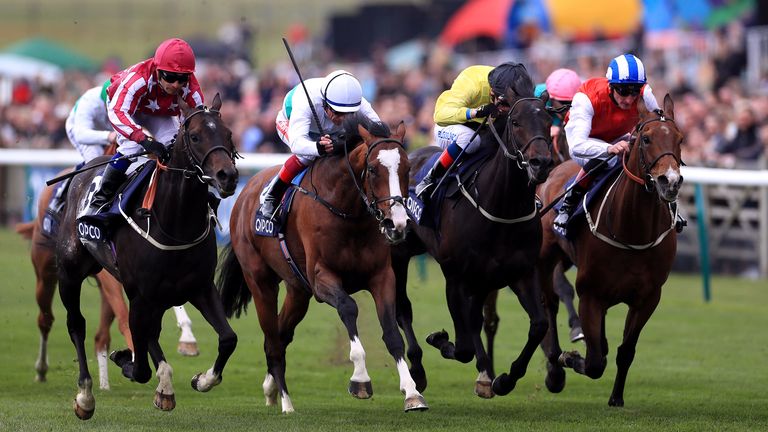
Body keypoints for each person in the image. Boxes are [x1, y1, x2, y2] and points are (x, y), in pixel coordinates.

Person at [82, 37, 204, 217]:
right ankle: (100, 198)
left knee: (176, 147)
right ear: (157, 70)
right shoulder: (138, 79)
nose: (176, 85)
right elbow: (117, 112)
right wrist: (144, 139)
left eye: (182, 79)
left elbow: (200, 119)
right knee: (132, 147)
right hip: (125, 109)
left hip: (159, 113)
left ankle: (171, 198)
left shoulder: (191, 87)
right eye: (170, 77)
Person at [553, 54, 660, 236]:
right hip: (585, 142)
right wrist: (608, 149)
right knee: (610, 159)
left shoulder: (645, 94)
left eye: (634, 92)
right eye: (623, 91)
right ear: (611, 86)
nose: (629, 99)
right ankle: (569, 201)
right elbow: (577, 146)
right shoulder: (587, 98)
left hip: (619, 136)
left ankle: (667, 205)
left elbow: (660, 125)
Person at [259, 70, 381, 220]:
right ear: (325, 103)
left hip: (329, 133)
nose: (341, 119)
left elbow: (379, 131)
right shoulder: (306, 100)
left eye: (347, 114)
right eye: (337, 112)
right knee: (307, 156)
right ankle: (272, 195)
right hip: (292, 125)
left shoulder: (359, 103)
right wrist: (318, 148)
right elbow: (297, 144)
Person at [414, 62, 526, 199]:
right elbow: (440, 115)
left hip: (486, 130)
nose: (505, 109)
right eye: (503, 103)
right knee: (470, 139)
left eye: (510, 104)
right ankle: (431, 177)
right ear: (492, 91)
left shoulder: (519, 85)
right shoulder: (473, 81)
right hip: (451, 126)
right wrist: (475, 113)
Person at [49, 80, 119, 213]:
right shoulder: (89, 101)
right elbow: (81, 134)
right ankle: (62, 192)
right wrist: (109, 136)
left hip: (106, 133)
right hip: (79, 130)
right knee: (97, 161)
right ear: (104, 101)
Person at [534, 68, 581, 144]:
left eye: (572, 103)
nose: (569, 110)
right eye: (564, 103)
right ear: (551, 98)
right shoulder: (537, 97)